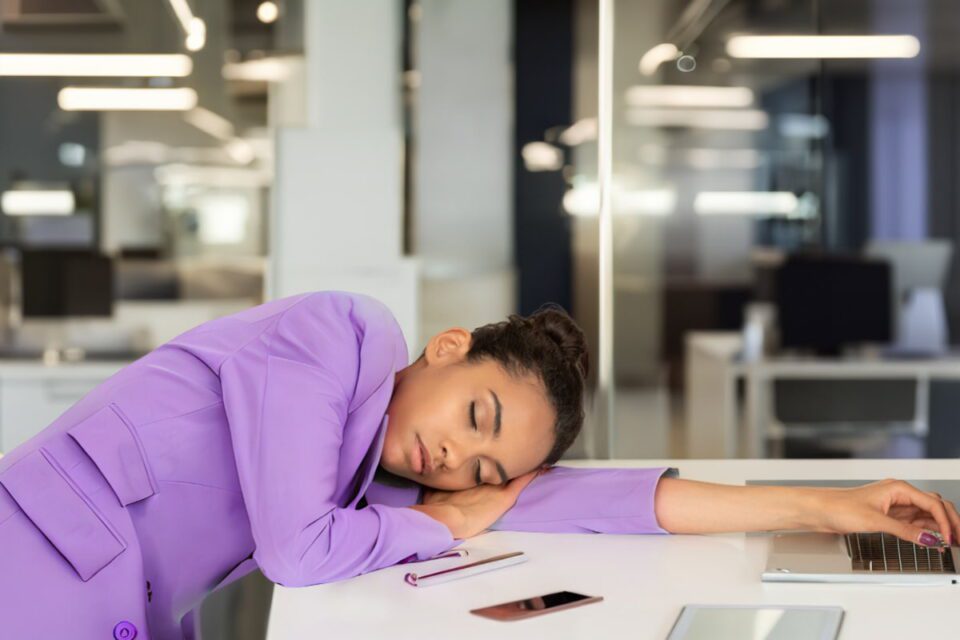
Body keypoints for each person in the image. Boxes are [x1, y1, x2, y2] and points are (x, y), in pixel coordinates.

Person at [0, 291, 956, 639]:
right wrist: (452, 518)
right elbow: (296, 551)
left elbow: (597, 500)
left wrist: (828, 506)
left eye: (484, 466)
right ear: (450, 346)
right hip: (30, 560)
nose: (458, 458)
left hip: (119, 603)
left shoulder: (379, 476)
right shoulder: (342, 336)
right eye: (478, 416)